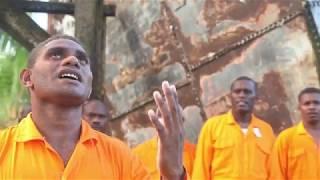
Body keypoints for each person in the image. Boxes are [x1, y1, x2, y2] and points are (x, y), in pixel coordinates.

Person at [0, 35, 185, 179]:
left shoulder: (120, 156)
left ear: (89, 84)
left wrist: (172, 175)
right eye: (56, 54)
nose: (72, 60)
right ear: (27, 78)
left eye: (82, 60)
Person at [192, 76, 275, 180]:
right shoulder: (212, 127)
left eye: (247, 92)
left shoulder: (266, 130)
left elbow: (273, 172)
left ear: (256, 98)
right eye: (237, 92)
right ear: (230, 97)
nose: (242, 95)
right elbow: (201, 169)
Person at [269, 87, 320, 180]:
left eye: (317, 103)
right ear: (299, 107)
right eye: (307, 103)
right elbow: (277, 175)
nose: (312, 107)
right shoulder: (286, 139)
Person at [133, 107, 196, 179]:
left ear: (182, 122)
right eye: (166, 119)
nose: (170, 125)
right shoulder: (138, 155)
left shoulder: (193, 152)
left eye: (175, 119)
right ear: (155, 123)